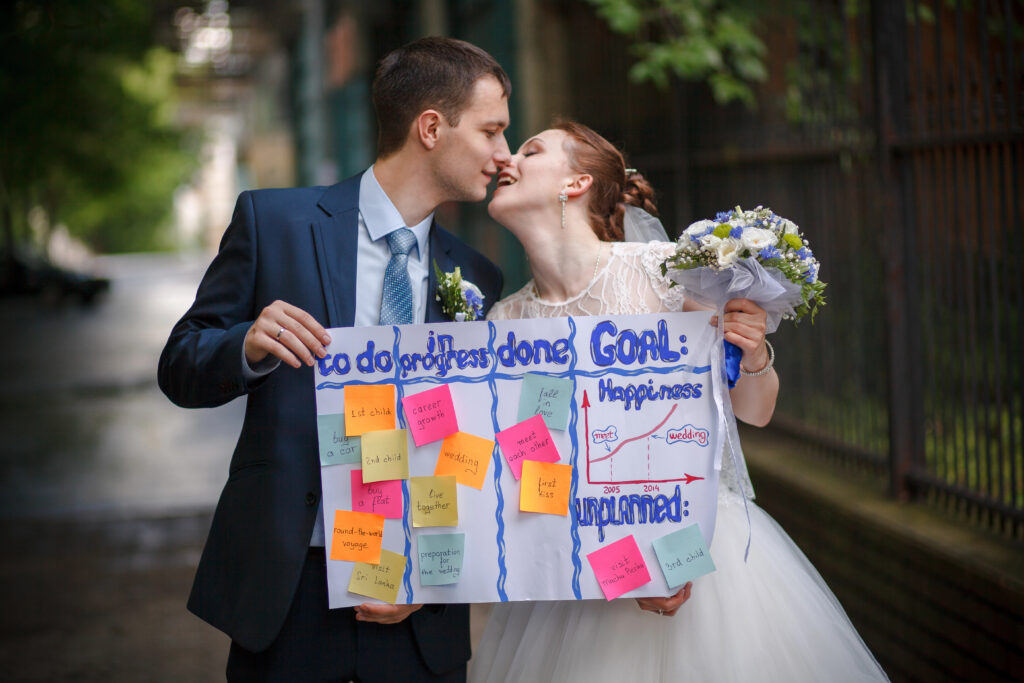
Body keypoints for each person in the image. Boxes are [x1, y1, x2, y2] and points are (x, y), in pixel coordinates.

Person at [469, 122, 889, 682]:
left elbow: (754, 411)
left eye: (531, 150)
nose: (507, 160)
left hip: (698, 557)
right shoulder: (505, 321)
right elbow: (526, 463)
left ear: (576, 182)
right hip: (578, 577)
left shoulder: (665, 271)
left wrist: (753, 349)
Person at [158, 37, 509, 681]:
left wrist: (431, 574)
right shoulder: (274, 222)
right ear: (431, 127)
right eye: (491, 131)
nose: (502, 154)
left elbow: (477, 446)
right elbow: (180, 364)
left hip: (416, 610)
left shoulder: (477, 274)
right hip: (291, 590)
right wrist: (246, 345)